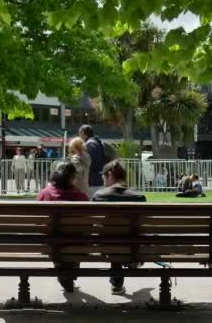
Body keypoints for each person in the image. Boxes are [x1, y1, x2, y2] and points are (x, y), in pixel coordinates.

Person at [92, 160, 145, 295]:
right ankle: (131, 264)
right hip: (132, 245)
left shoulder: (99, 196)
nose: (102, 179)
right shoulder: (138, 197)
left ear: (110, 175)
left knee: (112, 235)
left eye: (103, 176)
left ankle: (117, 283)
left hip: (106, 245)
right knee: (123, 235)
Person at [36, 162, 89, 293]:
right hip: (77, 244)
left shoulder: (45, 194)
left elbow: (38, 223)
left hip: (52, 244)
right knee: (76, 236)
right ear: (71, 179)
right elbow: (88, 224)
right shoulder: (82, 197)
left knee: (56, 237)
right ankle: (69, 272)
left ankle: (64, 272)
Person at [78, 125, 106, 197]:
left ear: (83, 133)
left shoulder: (90, 144)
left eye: (79, 134)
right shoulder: (97, 142)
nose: (79, 137)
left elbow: (89, 162)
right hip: (98, 179)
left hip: (93, 181)